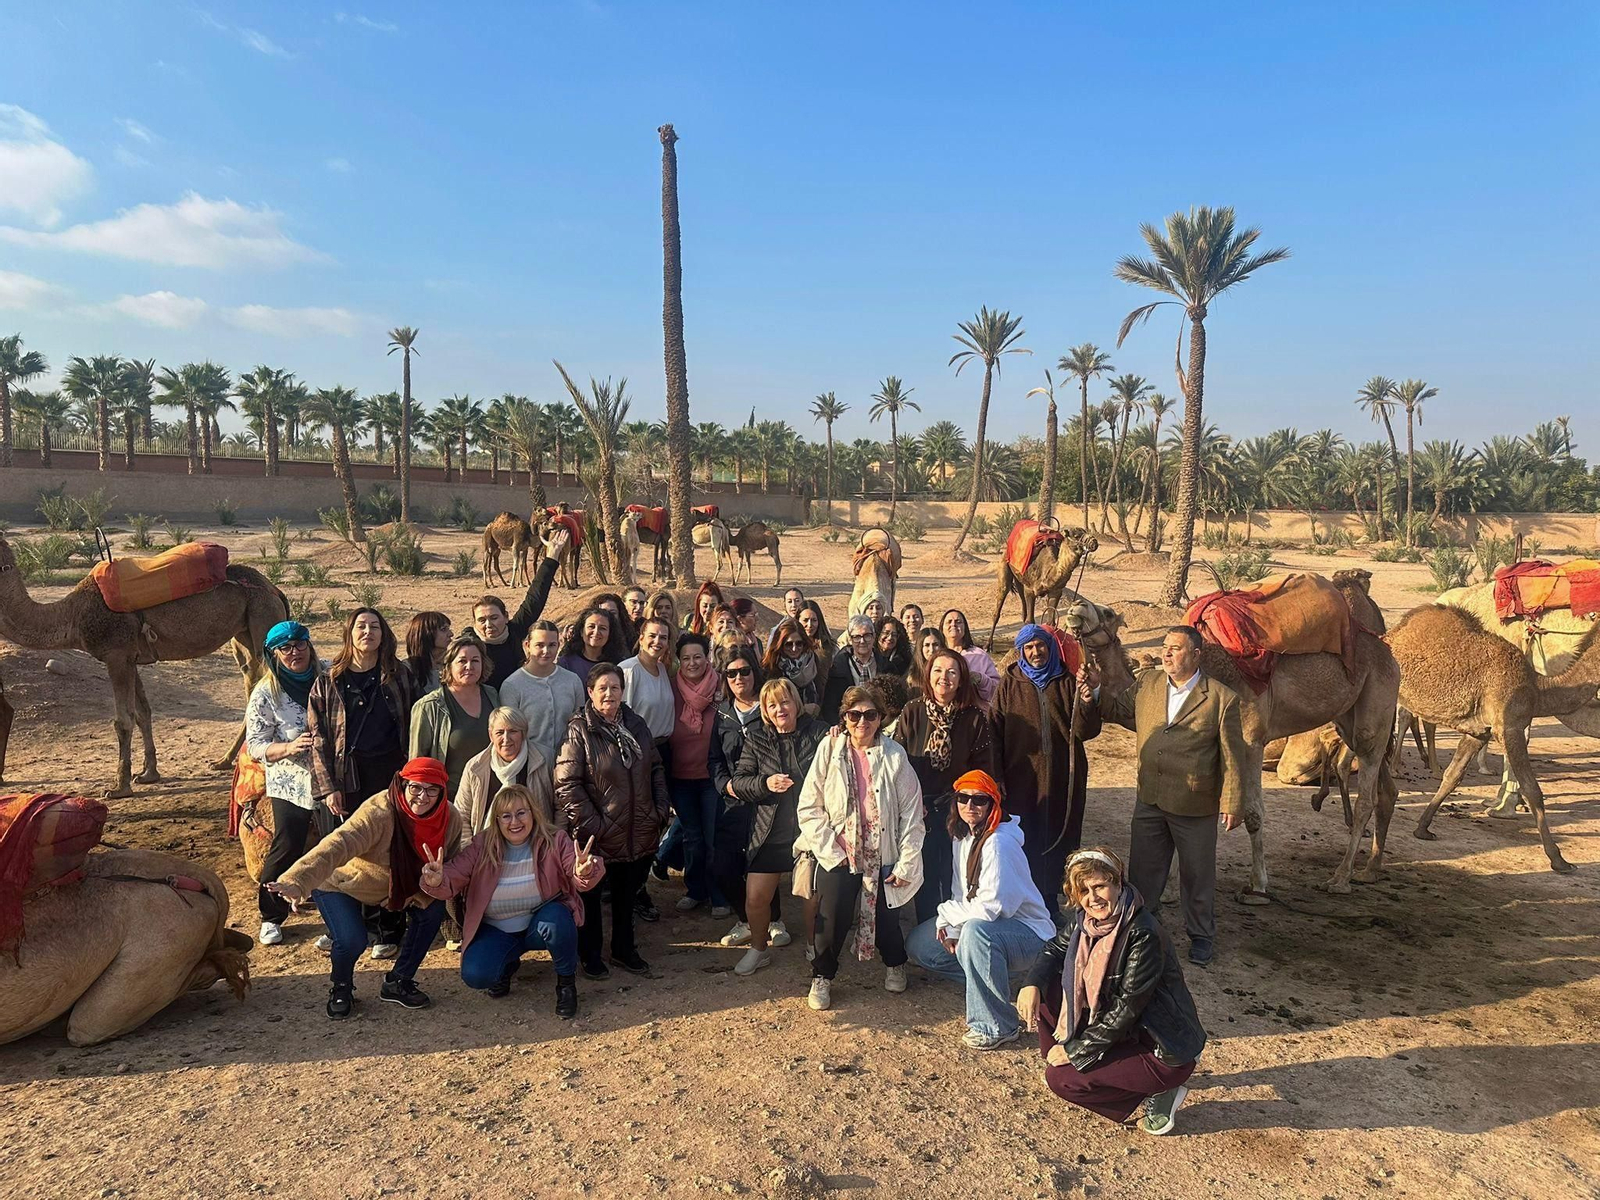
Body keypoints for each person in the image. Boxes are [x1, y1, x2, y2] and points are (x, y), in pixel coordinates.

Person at [1082, 626, 1247, 967]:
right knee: (1144, 872)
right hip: (1150, 798)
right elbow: (1115, 710)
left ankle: (1201, 936)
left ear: (1196, 655)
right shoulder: (1148, 683)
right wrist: (1097, 689)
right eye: (1165, 646)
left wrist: (1233, 802)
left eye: (1176, 648)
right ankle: (1139, 931)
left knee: (1197, 875)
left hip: (1194, 804)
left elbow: (1233, 757)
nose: (1166, 653)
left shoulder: (1220, 699)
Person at [1017, 847, 1205, 1135]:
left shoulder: (1143, 933)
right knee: (1048, 991)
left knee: (1061, 1079)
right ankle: (1119, 1074)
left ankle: (1160, 1089)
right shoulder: (1086, 923)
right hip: (1124, 1031)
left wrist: (1075, 1050)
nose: (1092, 898)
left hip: (1160, 1048)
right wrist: (1031, 984)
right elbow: (1054, 949)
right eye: (1083, 890)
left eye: (1099, 886)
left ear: (1118, 883)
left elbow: (1127, 1007)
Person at [267, 757, 461, 1019]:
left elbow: (449, 863)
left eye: (431, 789)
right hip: (343, 884)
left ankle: (398, 980)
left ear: (442, 792)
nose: (422, 796)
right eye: (415, 787)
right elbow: (339, 843)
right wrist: (298, 879)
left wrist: (438, 878)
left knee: (432, 909)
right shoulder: (380, 811)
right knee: (351, 940)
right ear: (402, 784)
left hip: (399, 888)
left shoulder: (450, 819)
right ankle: (342, 987)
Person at [421, 784, 604, 1016]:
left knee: (558, 918)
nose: (514, 822)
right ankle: (507, 963)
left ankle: (566, 983)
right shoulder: (481, 845)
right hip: (495, 929)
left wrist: (585, 870)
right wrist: (437, 880)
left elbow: (576, 869)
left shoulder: (554, 839)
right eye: (506, 816)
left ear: (533, 813)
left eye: (521, 813)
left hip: (539, 924)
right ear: (496, 820)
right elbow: (454, 875)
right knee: (476, 975)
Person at [795, 685, 925, 1011]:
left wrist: (906, 863)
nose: (862, 722)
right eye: (854, 715)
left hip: (883, 853)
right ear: (845, 717)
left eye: (870, 715)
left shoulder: (895, 755)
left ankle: (895, 962)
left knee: (886, 919)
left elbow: (911, 815)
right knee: (831, 917)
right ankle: (822, 975)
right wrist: (831, 849)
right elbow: (809, 806)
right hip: (839, 853)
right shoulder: (829, 748)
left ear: (880, 718)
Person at [906, 770, 1057, 1049]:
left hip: (1029, 935)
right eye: (963, 798)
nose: (970, 806)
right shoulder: (962, 837)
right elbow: (959, 893)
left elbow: (991, 909)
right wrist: (950, 927)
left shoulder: (999, 844)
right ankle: (993, 979)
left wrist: (948, 915)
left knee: (976, 932)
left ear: (993, 805)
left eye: (980, 800)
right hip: (986, 925)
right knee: (920, 946)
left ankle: (998, 1025)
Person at [306, 606, 415, 958]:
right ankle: (344, 926)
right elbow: (318, 738)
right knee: (341, 852)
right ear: (349, 634)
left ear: (384, 635)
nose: (367, 632)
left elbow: (413, 725)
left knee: (388, 852)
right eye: (360, 626)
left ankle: (387, 929)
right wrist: (327, 788)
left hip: (390, 778)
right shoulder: (328, 681)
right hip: (344, 779)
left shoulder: (399, 676)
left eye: (374, 626)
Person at [556, 663, 670, 977]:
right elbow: (567, 784)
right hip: (598, 833)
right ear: (590, 692)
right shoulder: (580, 729)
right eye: (602, 688)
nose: (609, 694)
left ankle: (624, 949)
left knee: (626, 894)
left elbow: (656, 768)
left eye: (615, 687)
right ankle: (590, 954)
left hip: (639, 828)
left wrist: (659, 809)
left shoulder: (636, 723)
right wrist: (596, 825)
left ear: (623, 691)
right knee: (590, 898)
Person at [993, 624, 1101, 918]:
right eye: (1029, 648)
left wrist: (1088, 700)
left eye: (1040, 646)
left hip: (1062, 777)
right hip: (1020, 778)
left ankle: (1050, 900)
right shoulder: (1009, 684)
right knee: (1022, 836)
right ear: (1021, 651)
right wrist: (998, 776)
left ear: (1050, 648)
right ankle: (1023, 899)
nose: (1035, 652)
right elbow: (995, 731)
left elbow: (1085, 731)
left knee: (1059, 836)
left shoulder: (1066, 680)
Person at [727, 677, 825, 976]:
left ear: (796, 703)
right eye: (772, 705)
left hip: (808, 832)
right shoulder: (756, 740)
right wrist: (765, 783)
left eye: (785, 701)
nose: (780, 709)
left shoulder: (820, 734)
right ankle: (759, 948)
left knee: (812, 896)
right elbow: (740, 781)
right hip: (769, 831)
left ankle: (813, 946)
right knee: (755, 898)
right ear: (766, 712)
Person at [894, 648, 994, 923]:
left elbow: (982, 769)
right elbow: (898, 763)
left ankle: (953, 927)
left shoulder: (973, 717)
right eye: (938, 670)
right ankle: (927, 930)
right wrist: (913, 804)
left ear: (961, 679)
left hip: (958, 807)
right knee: (924, 873)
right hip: (918, 806)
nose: (944, 677)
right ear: (928, 675)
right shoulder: (912, 711)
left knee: (955, 872)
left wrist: (966, 805)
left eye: (952, 672)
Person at [247, 620, 324, 947]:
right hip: (291, 783)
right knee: (287, 845)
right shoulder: (266, 692)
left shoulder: (330, 675)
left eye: (300, 644)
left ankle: (338, 919)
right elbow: (255, 744)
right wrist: (288, 748)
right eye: (286, 647)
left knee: (335, 846)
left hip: (332, 779)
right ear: (274, 653)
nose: (295, 652)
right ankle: (271, 916)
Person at [708, 647, 782, 949]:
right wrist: (725, 786)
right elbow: (714, 758)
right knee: (723, 866)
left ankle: (774, 920)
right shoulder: (722, 713)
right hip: (733, 800)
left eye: (745, 671)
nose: (739, 677)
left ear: (755, 672)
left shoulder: (767, 709)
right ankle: (748, 920)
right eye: (732, 673)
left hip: (765, 799)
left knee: (763, 861)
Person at [666, 632, 727, 915]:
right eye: (686, 658)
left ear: (708, 658)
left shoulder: (721, 687)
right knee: (692, 836)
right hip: (680, 776)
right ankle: (695, 890)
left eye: (698, 657)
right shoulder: (669, 688)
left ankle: (718, 894)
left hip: (712, 776)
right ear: (679, 661)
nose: (692, 663)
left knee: (714, 836)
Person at [471, 525, 567, 689]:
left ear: (506, 617)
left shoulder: (514, 632)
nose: (488, 625)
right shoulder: (470, 644)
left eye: (494, 618)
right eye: (482, 620)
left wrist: (552, 558)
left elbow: (535, 599)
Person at [410, 630, 499, 802]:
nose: (469, 666)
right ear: (448, 665)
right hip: (450, 801)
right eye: (462, 661)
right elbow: (418, 763)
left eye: (475, 661)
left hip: (493, 799)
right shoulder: (429, 706)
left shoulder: (493, 695)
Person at [498, 620, 586, 768]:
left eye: (552, 645)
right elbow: (509, 732)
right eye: (539, 645)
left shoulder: (572, 681)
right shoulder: (512, 685)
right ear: (527, 646)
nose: (546, 651)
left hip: (568, 763)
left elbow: (579, 724)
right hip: (529, 765)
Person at [455, 707, 555, 834]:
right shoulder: (475, 767)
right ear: (491, 735)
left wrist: (554, 842)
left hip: (537, 845)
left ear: (523, 734)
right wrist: (471, 850)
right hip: (485, 847)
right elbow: (461, 814)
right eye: (499, 732)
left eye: (513, 731)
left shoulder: (546, 760)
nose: (506, 739)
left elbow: (560, 808)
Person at [621, 618, 676, 744]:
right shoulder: (628, 670)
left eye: (663, 638)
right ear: (641, 639)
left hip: (664, 747)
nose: (657, 641)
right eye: (652, 636)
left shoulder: (662, 669)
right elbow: (621, 716)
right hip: (641, 747)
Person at [821, 614, 881, 722]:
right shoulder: (837, 668)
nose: (862, 641)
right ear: (850, 639)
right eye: (857, 637)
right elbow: (830, 706)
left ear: (874, 636)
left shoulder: (885, 665)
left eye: (867, 635)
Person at [762, 617, 822, 719]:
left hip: (813, 721)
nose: (794, 649)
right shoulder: (771, 667)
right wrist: (801, 709)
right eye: (788, 644)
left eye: (799, 643)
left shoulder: (812, 661)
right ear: (780, 645)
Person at [941, 609, 1000, 707]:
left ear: (965, 628)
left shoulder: (980, 656)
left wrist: (981, 679)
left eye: (958, 622)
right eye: (949, 622)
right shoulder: (936, 654)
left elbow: (997, 690)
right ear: (942, 627)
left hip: (973, 712)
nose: (953, 625)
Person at [557, 606, 624, 680]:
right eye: (591, 627)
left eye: (602, 628)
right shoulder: (566, 663)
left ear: (610, 633)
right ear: (582, 632)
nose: (596, 632)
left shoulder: (619, 664)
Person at [402, 611, 452, 697]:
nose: (451, 634)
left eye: (449, 629)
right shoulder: (407, 670)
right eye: (443, 629)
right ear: (426, 634)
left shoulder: (452, 664)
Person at [593, 591, 638, 658]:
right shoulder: (593, 637)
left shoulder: (630, 638)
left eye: (613, 613)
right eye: (603, 612)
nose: (608, 616)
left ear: (620, 615)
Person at [905, 626, 946, 699]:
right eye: (927, 645)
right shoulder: (910, 677)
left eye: (935, 645)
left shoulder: (949, 671)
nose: (931, 649)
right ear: (920, 648)